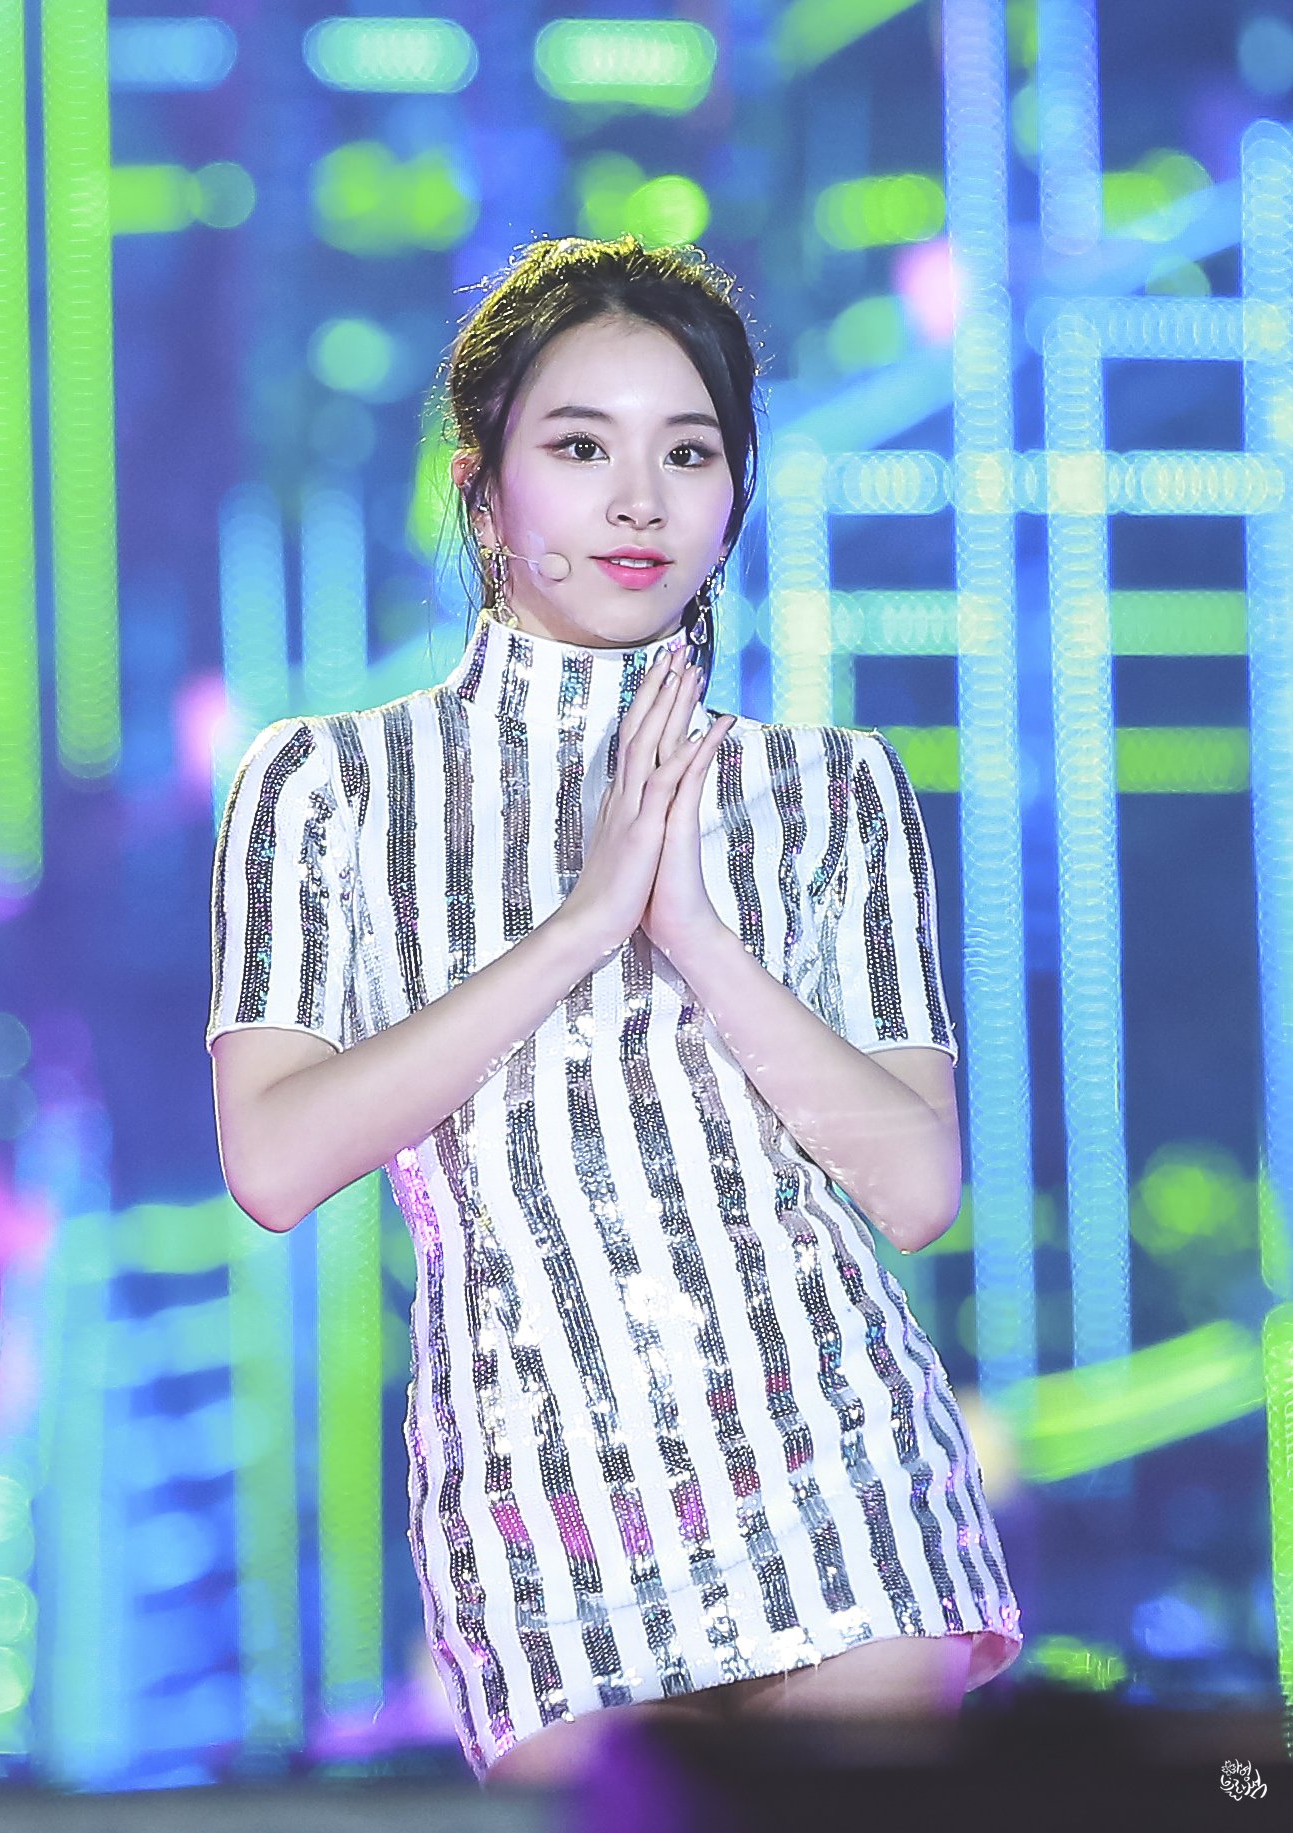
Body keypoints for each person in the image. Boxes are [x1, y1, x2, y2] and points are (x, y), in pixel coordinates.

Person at [205, 234, 1022, 1790]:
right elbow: (275, 1160)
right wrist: (585, 922)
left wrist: (693, 931)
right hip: (537, 1513)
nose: (639, 499)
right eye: (581, 448)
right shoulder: (326, 785)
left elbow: (916, 1188)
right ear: (481, 488)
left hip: (844, 1475)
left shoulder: (830, 787)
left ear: (734, 492)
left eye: (688, 453)